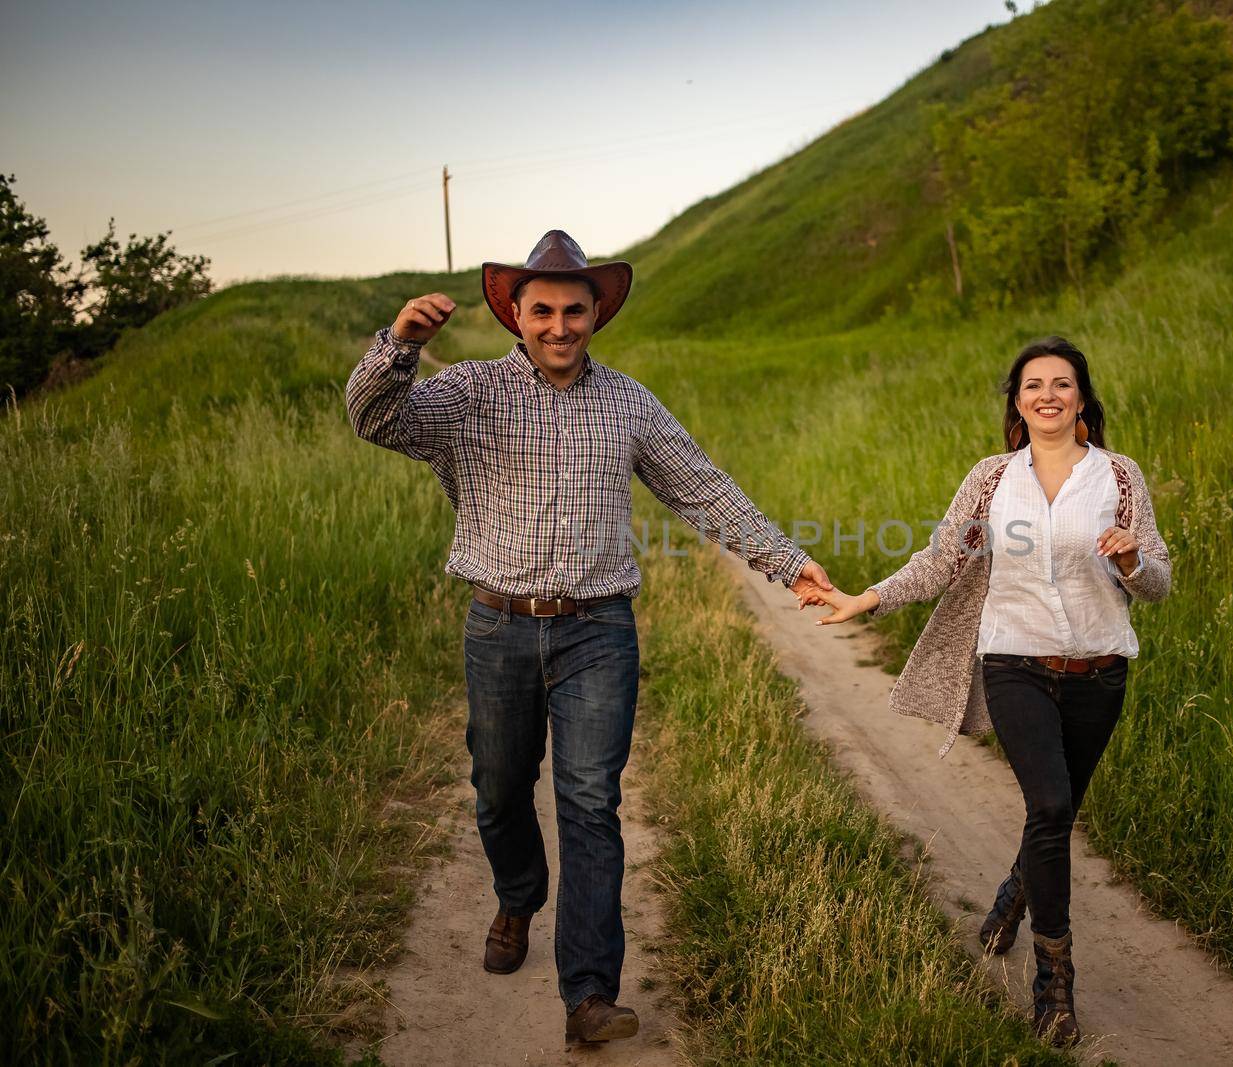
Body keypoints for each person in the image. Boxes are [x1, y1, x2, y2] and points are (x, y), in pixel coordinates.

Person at [344, 230, 833, 1045]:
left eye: (575, 309)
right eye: (543, 310)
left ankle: (589, 993)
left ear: (597, 312)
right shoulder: (468, 394)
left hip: (599, 632)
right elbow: (373, 418)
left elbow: (703, 490)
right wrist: (399, 345)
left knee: (590, 803)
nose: (560, 325)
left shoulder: (631, 403)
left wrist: (790, 564)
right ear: (516, 314)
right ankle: (517, 895)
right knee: (500, 789)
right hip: (497, 624)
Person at [801, 336, 1170, 1047]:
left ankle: (1015, 891)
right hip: (1014, 663)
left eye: (1063, 384)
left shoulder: (1120, 477)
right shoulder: (993, 479)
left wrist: (1134, 560)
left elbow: (1159, 582)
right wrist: (865, 599)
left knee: (1053, 816)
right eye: (1034, 384)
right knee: (1053, 803)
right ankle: (1054, 983)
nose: (1049, 395)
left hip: (1099, 671)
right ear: (1018, 400)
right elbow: (941, 559)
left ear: (1083, 398)